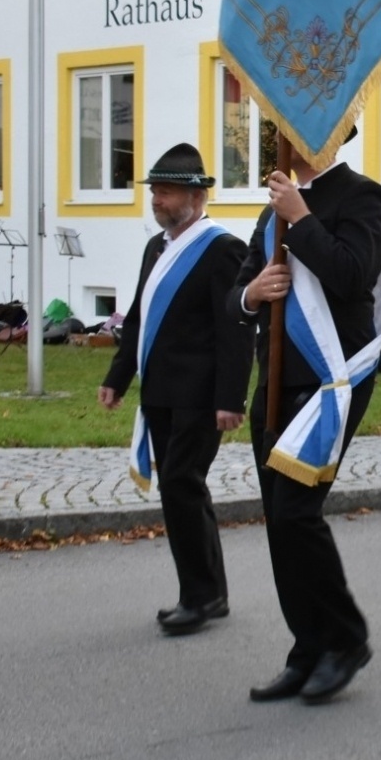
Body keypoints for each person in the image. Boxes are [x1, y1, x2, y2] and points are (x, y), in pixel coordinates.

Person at [230, 127, 381, 705]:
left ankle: (345, 639)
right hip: (274, 381)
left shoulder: (363, 197)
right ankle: (309, 644)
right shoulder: (270, 207)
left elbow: (352, 274)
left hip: (331, 382)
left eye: (292, 130)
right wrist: (253, 292)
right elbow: (237, 295)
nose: (282, 140)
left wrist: (300, 218)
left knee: (298, 512)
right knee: (280, 519)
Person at [99, 144, 252, 635]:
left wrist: (231, 397)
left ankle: (202, 597)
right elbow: (140, 318)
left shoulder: (222, 248)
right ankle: (208, 592)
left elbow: (235, 329)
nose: (156, 201)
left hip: (200, 395)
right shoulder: (156, 248)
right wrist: (117, 376)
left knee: (183, 486)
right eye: (154, 192)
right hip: (159, 391)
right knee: (180, 490)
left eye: (165, 192)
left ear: (195, 195)